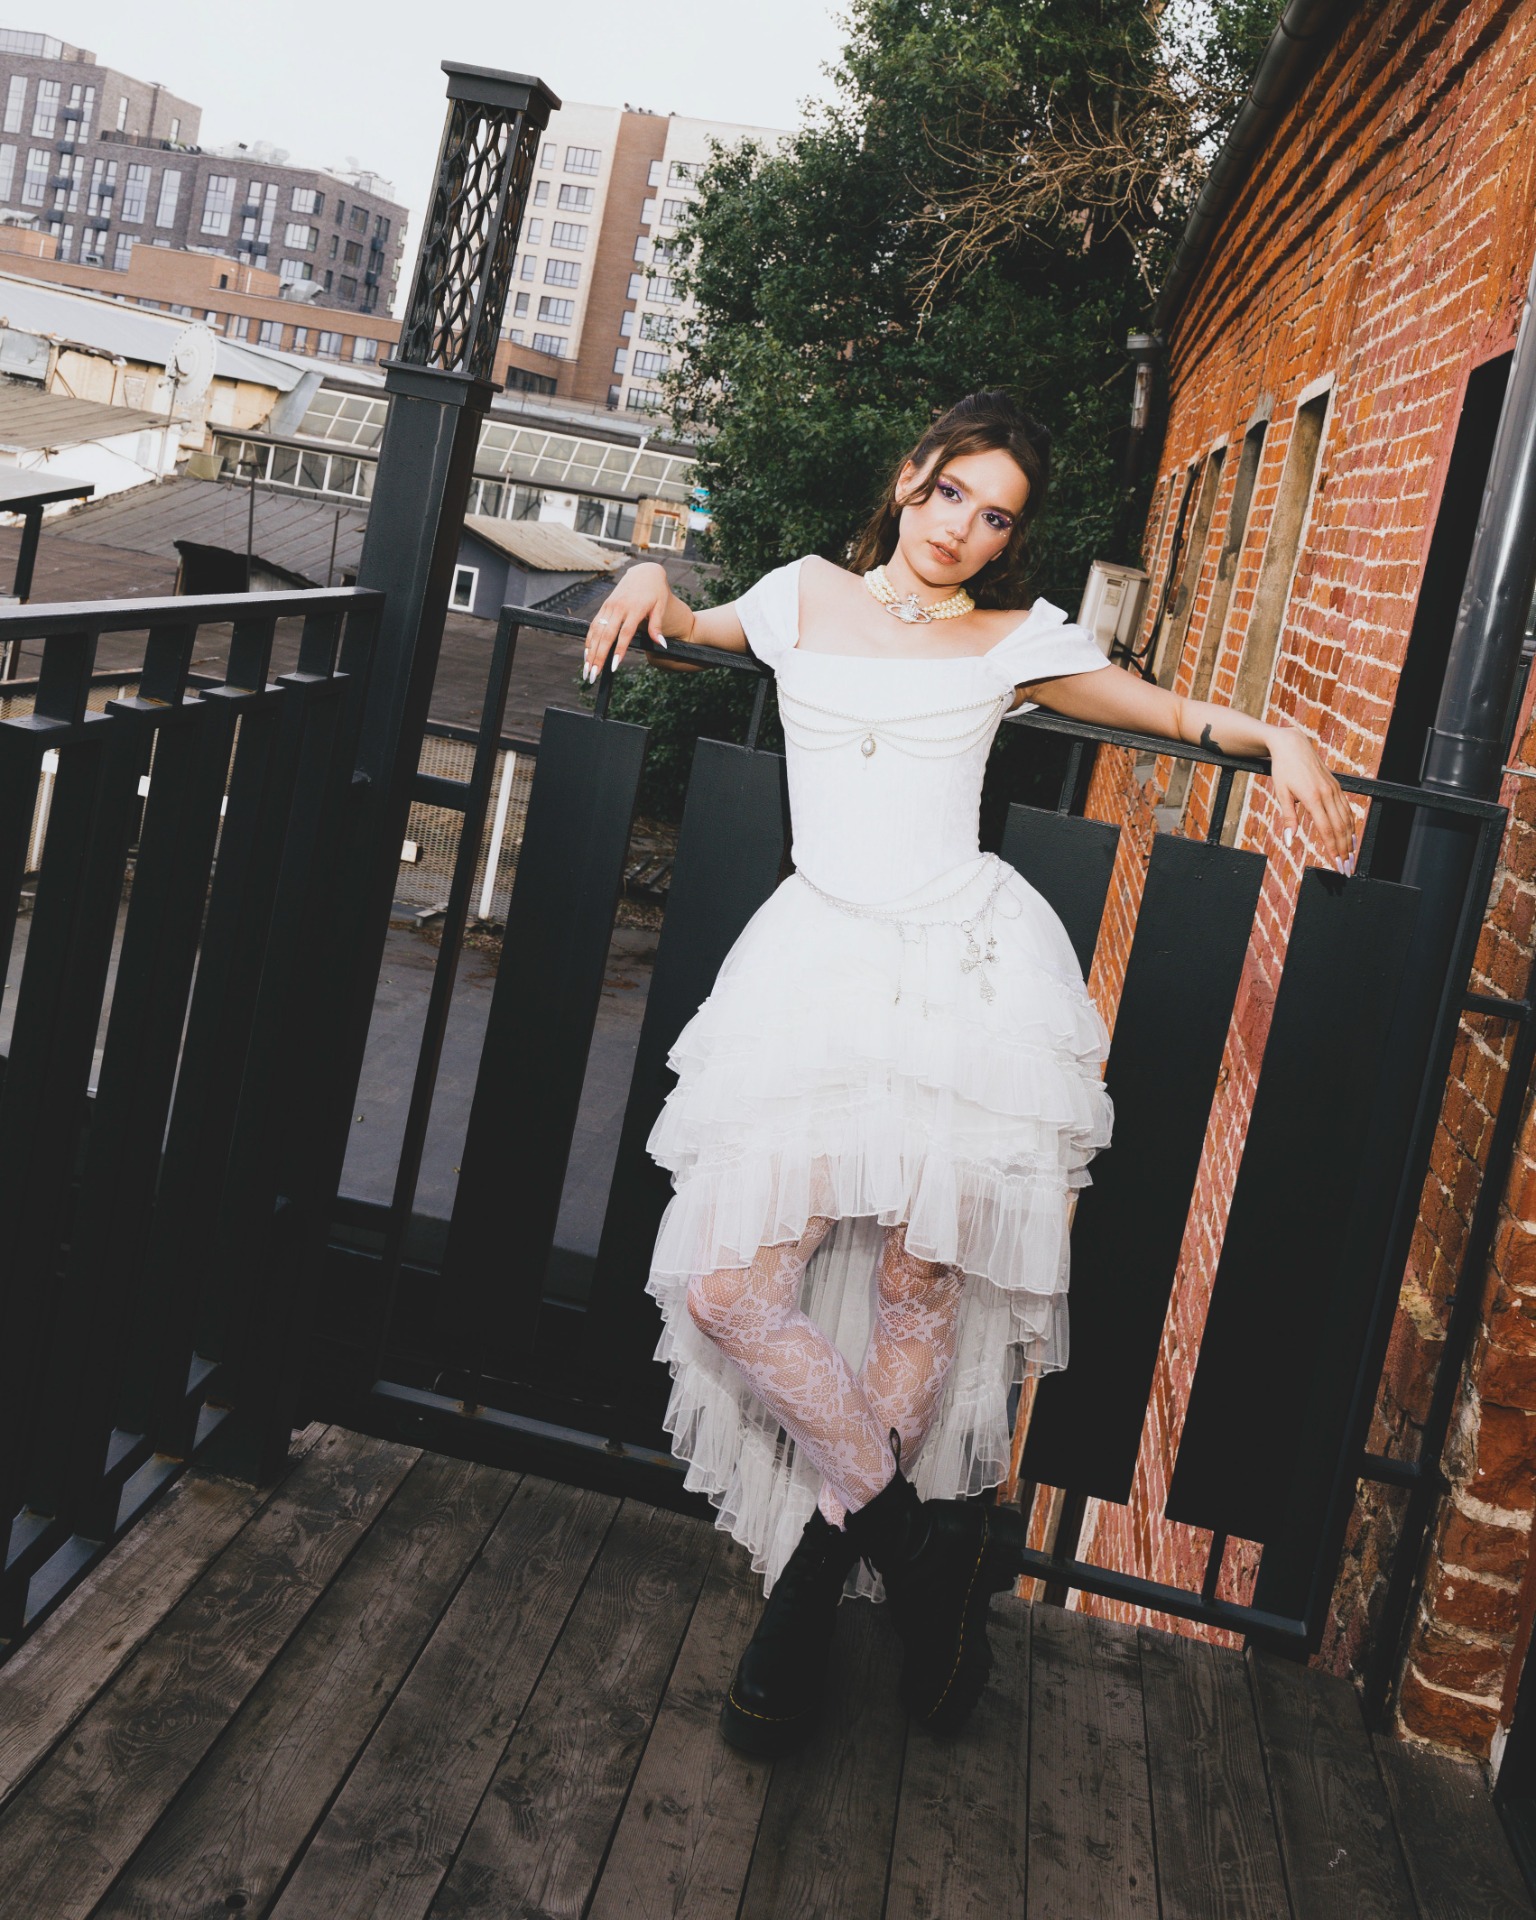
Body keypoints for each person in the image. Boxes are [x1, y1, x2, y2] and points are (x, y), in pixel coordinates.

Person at [581, 391, 1356, 1756]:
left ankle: (809, 1600)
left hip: (965, 977)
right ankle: (921, 1552)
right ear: (909, 477)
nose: (963, 530)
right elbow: (693, 634)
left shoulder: (1013, 642)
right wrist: (650, 574)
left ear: (1009, 539)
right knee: (729, 1288)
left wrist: (1271, 735)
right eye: (951, 494)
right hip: (819, 966)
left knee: (917, 1282)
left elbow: (1170, 710)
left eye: (995, 517)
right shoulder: (802, 595)